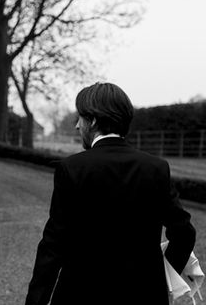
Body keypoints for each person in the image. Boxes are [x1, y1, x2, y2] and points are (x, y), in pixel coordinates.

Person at [24, 82, 196, 305]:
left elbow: (53, 245)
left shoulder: (73, 168)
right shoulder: (155, 168)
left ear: (93, 121)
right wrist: (162, 276)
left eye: (80, 118)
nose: (77, 126)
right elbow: (184, 233)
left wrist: (36, 301)